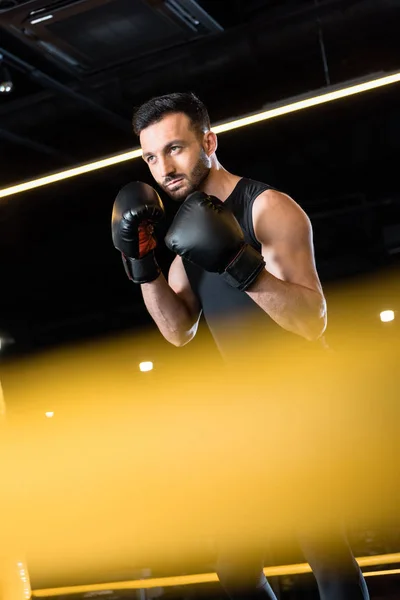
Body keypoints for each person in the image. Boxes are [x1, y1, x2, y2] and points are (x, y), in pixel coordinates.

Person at [111, 92, 369, 599]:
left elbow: (311, 321)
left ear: (209, 141)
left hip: (309, 402)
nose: (163, 167)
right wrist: (144, 268)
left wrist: (238, 262)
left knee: (323, 548)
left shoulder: (267, 206)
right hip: (253, 414)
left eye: (176, 149)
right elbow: (178, 330)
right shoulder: (188, 228)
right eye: (150, 156)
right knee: (234, 566)